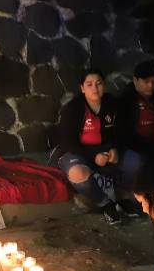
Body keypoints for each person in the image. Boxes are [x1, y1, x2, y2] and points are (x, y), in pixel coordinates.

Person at [53, 68, 140, 225]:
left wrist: (115, 148)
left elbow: (122, 132)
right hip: (77, 152)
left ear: (104, 85)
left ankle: (122, 197)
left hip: (106, 149)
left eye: (99, 83)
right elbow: (67, 142)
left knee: (135, 161)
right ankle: (106, 204)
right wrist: (93, 156)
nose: (95, 88)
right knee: (77, 173)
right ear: (82, 88)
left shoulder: (113, 104)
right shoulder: (73, 108)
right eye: (89, 84)